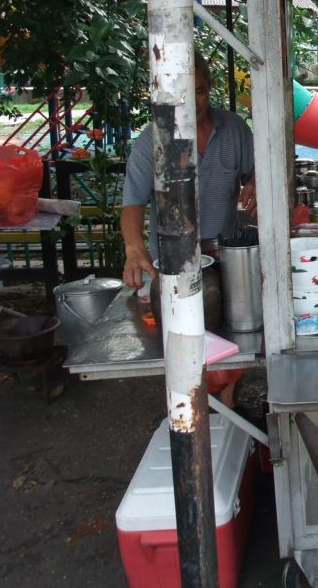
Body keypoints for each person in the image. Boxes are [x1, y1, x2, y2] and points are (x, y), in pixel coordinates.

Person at [121, 51, 256, 406]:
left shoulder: (235, 130)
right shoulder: (151, 142)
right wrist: (135, 249)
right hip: (174, 265)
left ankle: (226, 404)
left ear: (208, 90)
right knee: (184, 348)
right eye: (179, 93)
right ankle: (188, 412)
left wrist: (256, 180)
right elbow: (132, 203)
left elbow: (259, 170)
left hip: (226, 258)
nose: (191, 101)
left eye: (198, 91)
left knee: (231, 339)